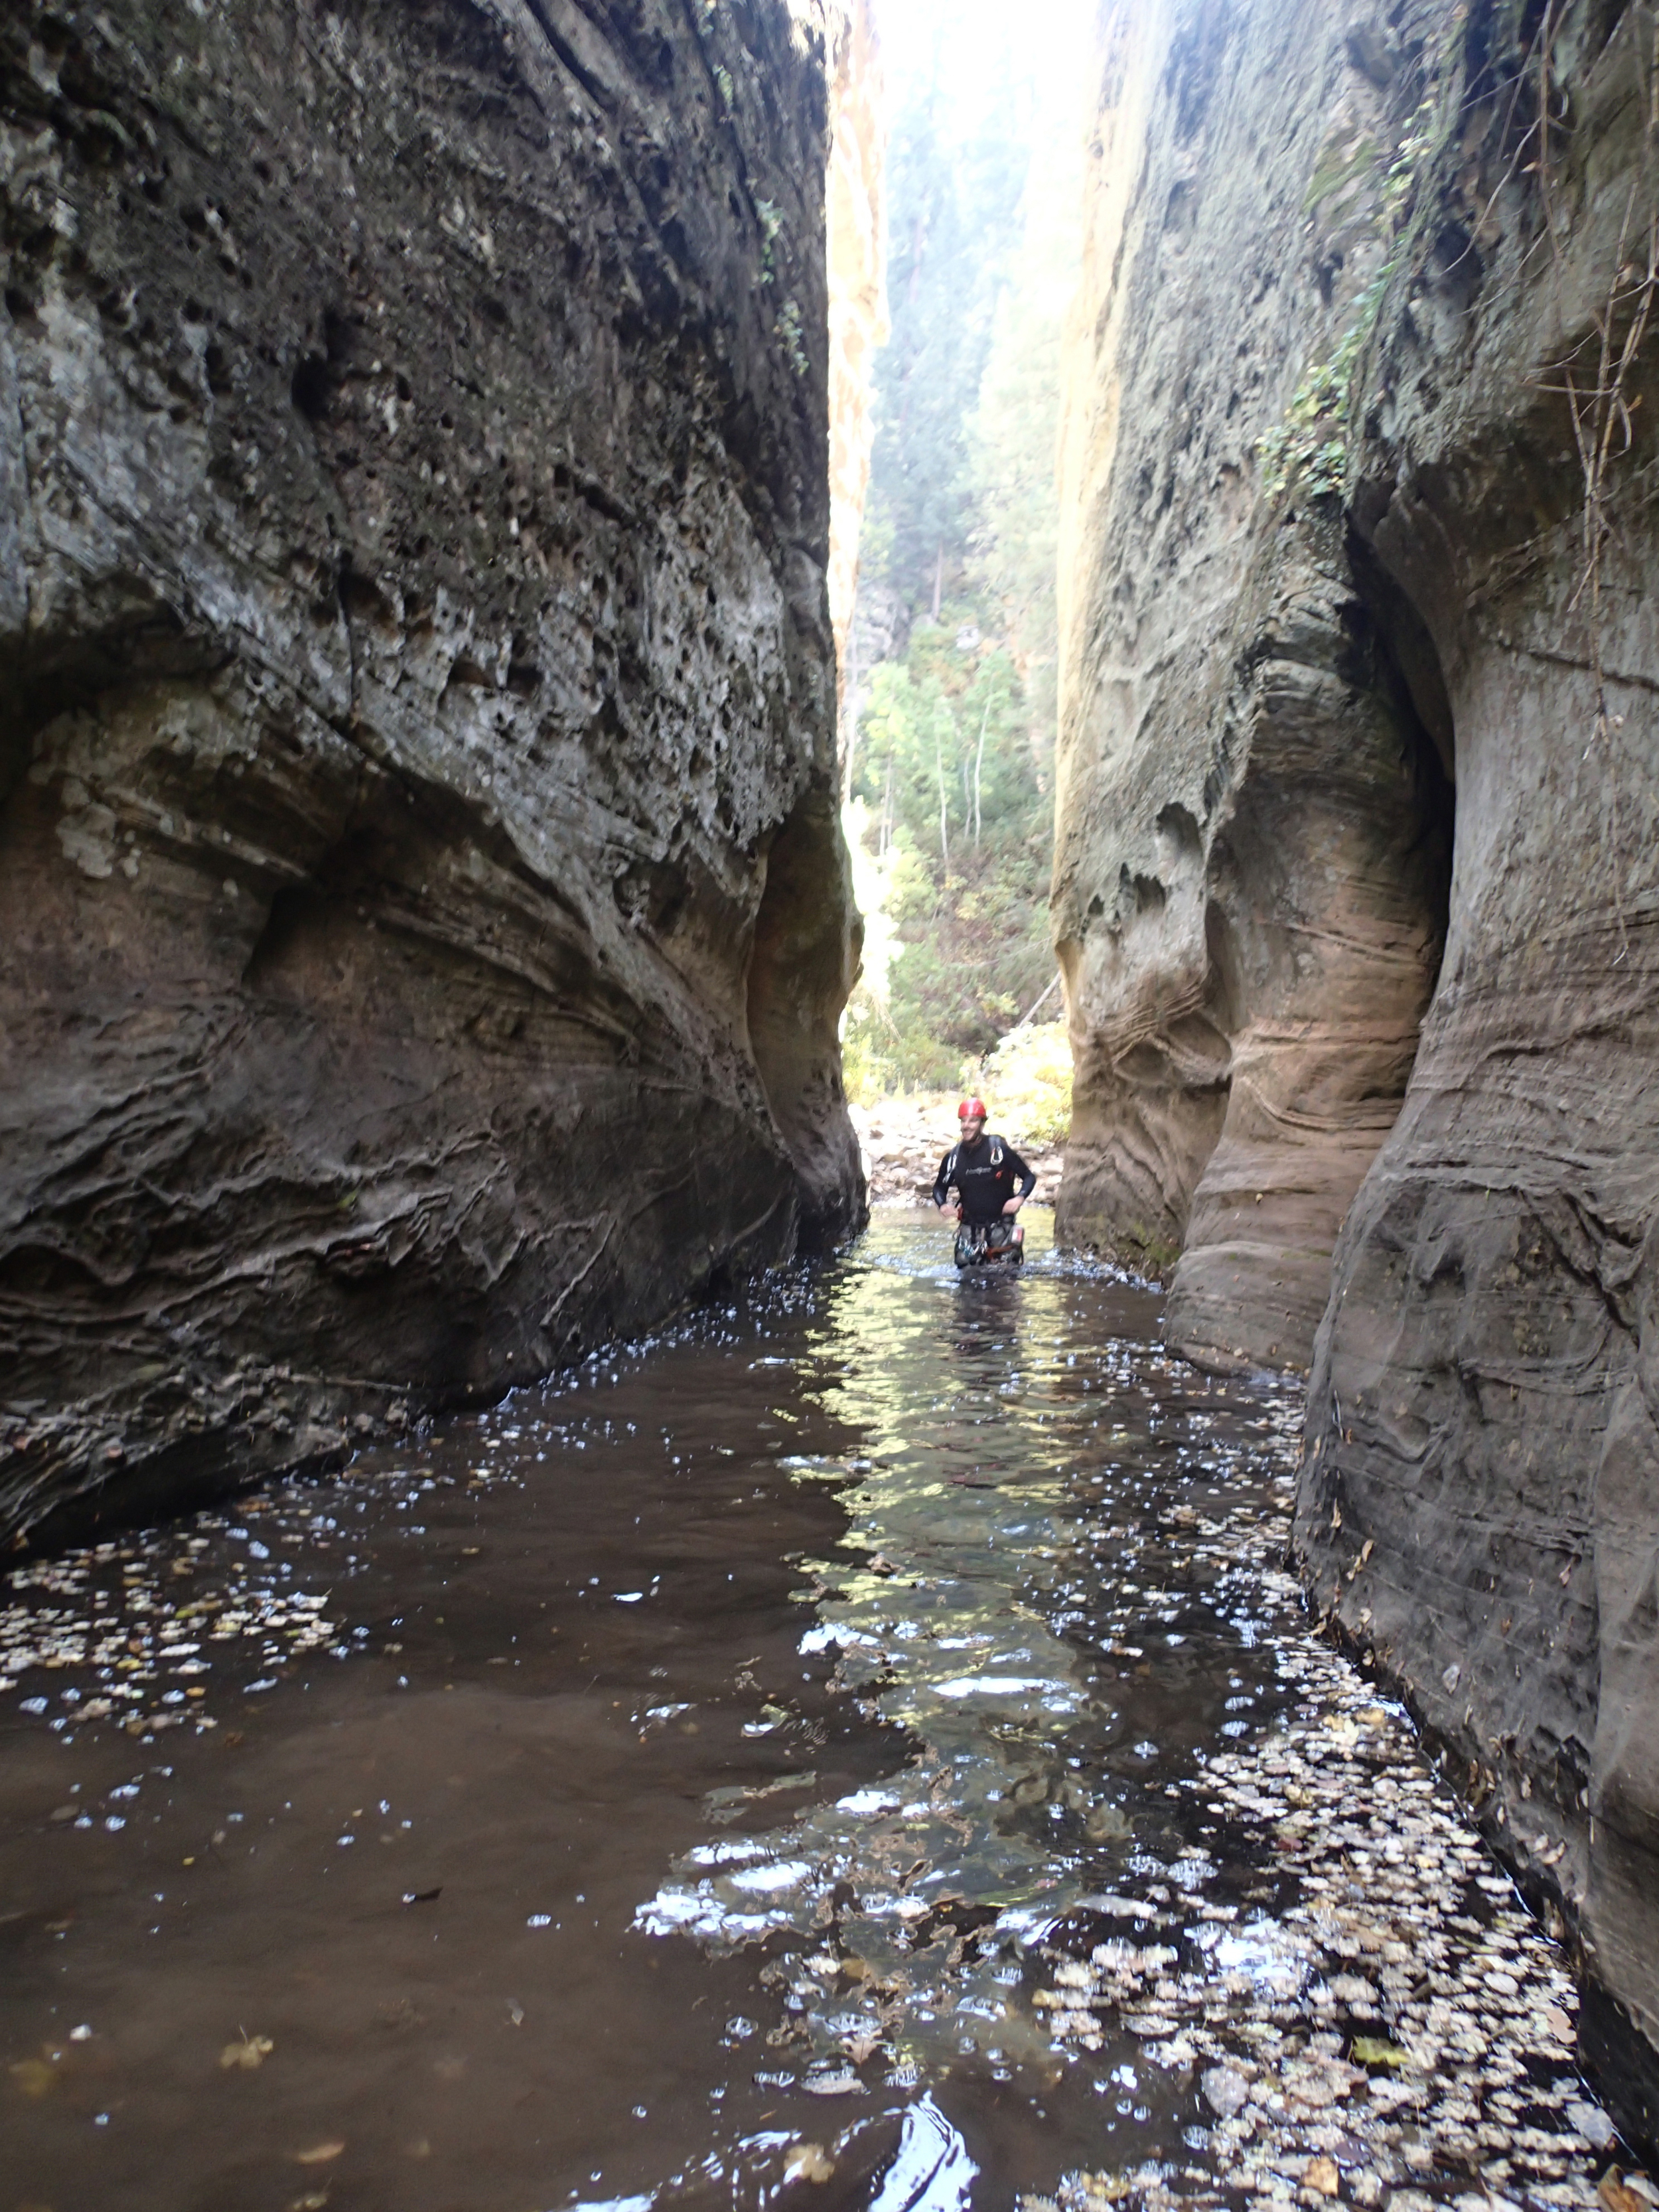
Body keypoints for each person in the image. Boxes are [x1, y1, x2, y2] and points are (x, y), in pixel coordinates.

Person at [933, 1097, 1036, 1267]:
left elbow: (1029, 1177)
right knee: (965, 1281)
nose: (967, 1125)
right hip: (969, 1231)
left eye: (973, 1121)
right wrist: (942, 1205)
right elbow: (939, 1188)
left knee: (1005, 1282)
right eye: (963, 1121)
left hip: (1001, 1228)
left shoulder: (998, 1149)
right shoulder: (954, 1157)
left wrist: (1019, 1199)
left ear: (982, 1124)